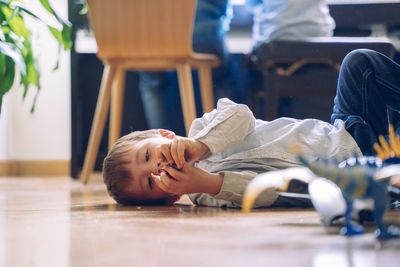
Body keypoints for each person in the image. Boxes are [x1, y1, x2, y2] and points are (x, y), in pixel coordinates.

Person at [103, 49, 400, 208]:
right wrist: (207, 182)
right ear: (169, 198)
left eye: (146, 157)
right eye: (151, 183)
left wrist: (200, 146)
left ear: (164, 134)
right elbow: (268, 194)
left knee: (358, 63)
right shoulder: (206, 194)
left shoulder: (203, 127)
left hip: (345, 130)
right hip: (357, 170)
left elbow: (240, 115)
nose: (156, 168)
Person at [138, 0, 242, 135]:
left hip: (151, 35)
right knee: (223, 79)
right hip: (201, 31)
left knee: (153, 83)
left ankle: (161, 145)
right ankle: (224, 145)